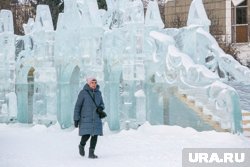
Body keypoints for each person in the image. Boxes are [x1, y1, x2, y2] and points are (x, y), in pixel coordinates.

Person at [74, 77, 105, 159]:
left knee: (95, 136)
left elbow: (102, 104)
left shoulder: (99, 93)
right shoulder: (83, 93)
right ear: (88, 83)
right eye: (92, 82)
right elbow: (78, 106)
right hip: (85, 118)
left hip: (96, 118)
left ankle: (91, 153)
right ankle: (81, 145)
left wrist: (101, 108)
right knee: (86, 134)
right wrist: (76, 119)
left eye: (95, 82)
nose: (94, 84)